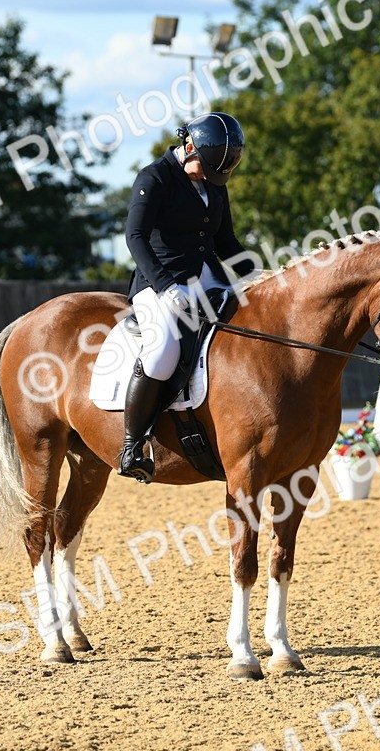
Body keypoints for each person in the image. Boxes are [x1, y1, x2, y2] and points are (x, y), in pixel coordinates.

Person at [118, 112, 257, 482]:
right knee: (162, 348)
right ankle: (132, 446)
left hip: (207, 276)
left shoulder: (214, 183)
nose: (209, 180)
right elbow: (136, 238)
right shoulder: (155, 178)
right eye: (204, 170)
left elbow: (225, 242)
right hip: (157, 280)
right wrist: (165, 286)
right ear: (188, 146)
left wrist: (258, 275)